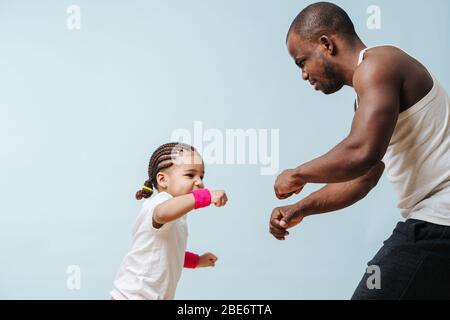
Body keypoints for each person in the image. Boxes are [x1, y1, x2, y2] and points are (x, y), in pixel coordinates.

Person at [270, 2, 450, 299]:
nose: (304, 74)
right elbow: (363, 176)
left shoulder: (378, 65)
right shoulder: (369, 92)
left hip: (438, 221)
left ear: (326, 43)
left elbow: (361, 152)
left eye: (302, 61)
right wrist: (300, 208)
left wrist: (296, 174)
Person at [111, 142, 228, 300]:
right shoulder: (160, 203)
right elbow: (162, 213)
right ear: (163, 180)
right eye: (190, 175)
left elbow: (169, 252)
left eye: (201, 176)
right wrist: (205, 196)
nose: (199, 181)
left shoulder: (178, 215)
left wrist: (197, 261)